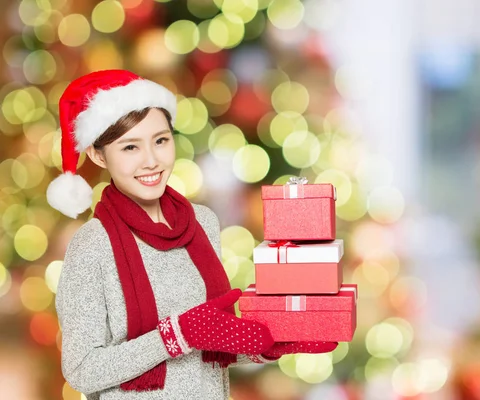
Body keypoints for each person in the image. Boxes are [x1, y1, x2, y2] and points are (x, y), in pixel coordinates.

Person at [47, 70, 336, 399]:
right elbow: (83, 370)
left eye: (160, 140)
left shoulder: (202, 223)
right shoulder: (92, 246)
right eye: (130, 148)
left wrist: (271, 344)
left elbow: (206, 350)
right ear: (99, 155)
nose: (151, 160)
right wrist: (174, 334)